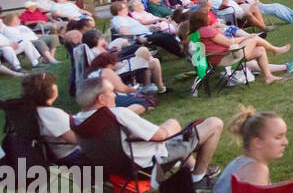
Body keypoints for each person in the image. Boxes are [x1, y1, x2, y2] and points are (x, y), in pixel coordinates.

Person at [75, 77, 223, 187]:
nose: (115, 95)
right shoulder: (117, 114)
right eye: (111, 92)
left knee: (172, 125)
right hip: (150, 165)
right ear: (101, 98)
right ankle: (198, 179)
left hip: (118, 169)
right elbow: (160, 136)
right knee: (214, 124)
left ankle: (190, 166)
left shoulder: (78, 121)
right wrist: (171, 129)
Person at [190, 8, 293, 85]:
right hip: (226, 59)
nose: (209, 16)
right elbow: (228, 42)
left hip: (221, 58)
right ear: (203, 19)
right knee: (254, 38)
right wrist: (246, 37)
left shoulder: (198, 32)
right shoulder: (206, 30)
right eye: (207, 15)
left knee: (260, 49)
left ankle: (269, 77)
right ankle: (275, 50)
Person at [24, 71, 82, 166]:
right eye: (53, 84)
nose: (56, 85)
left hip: (55, 152)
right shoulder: (52, 114)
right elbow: (76, 140)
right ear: (49, 91)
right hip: (70, 154)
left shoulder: (32, 111)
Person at [109, 0, 186, 58]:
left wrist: (151, 28)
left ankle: (182, 51)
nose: (127, 9)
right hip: (141, 37)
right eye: (124, 8)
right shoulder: (119, 19)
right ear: (119, 10)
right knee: (164, 37)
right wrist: (138, 37)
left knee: (166, 36)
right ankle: (182, 53)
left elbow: (138, 27)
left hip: (146, 33)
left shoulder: (125, 17)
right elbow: (124, 33)